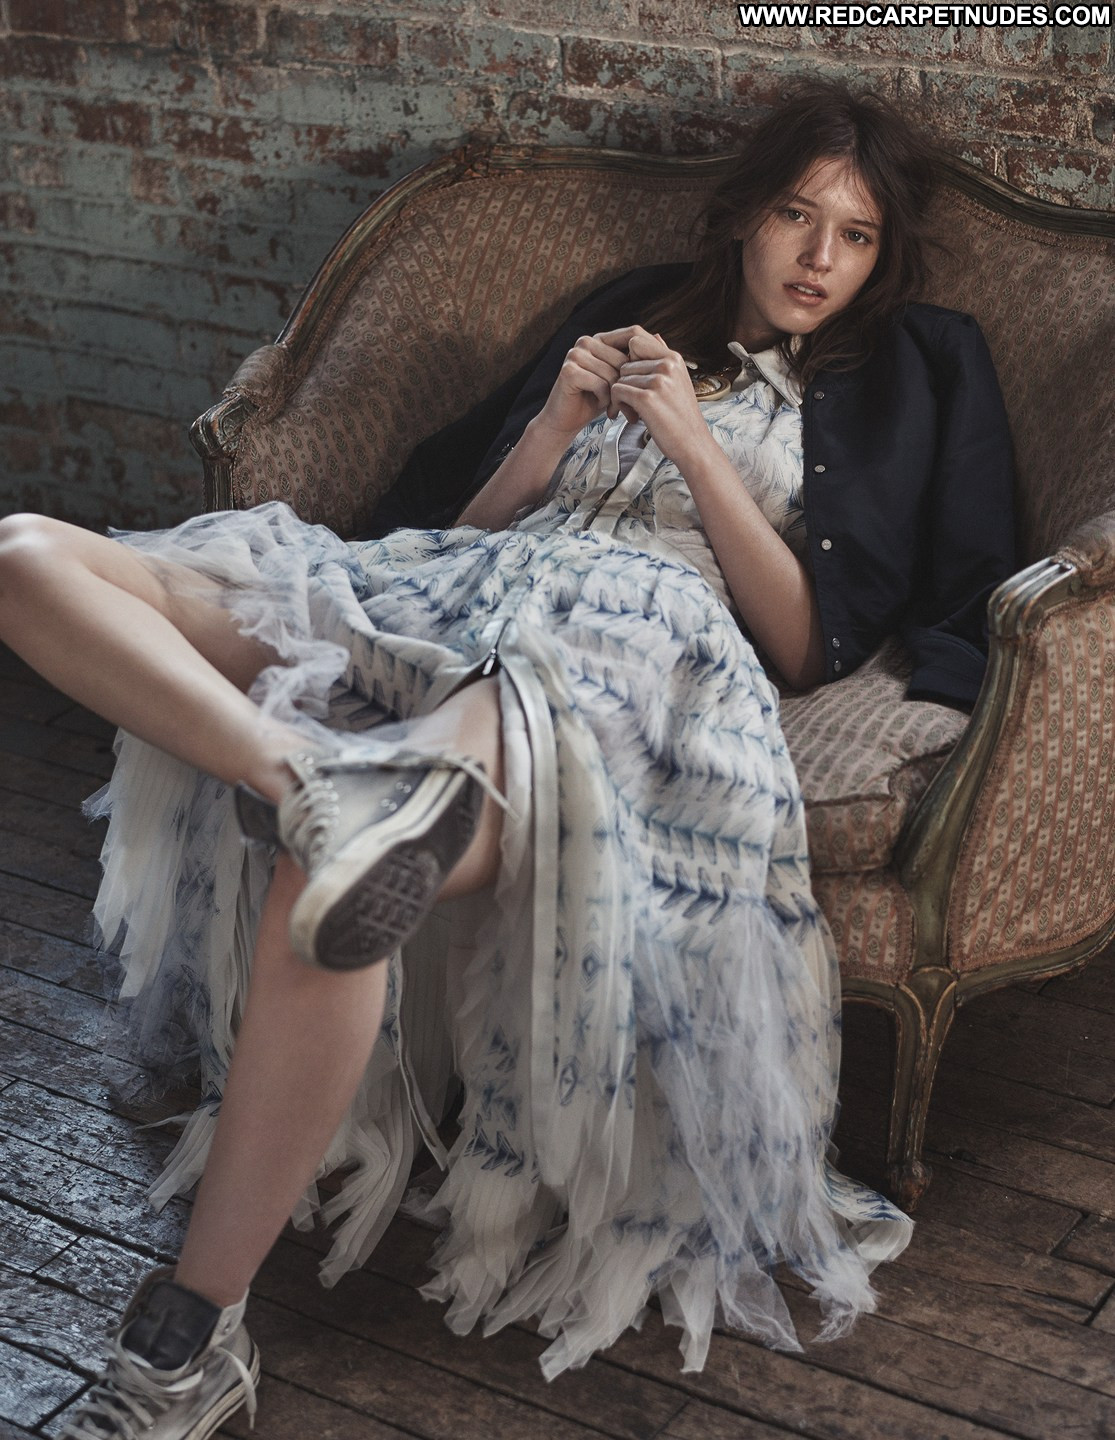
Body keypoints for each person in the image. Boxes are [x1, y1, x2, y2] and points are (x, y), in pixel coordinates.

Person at [0, 79, 1015, 1439]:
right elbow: (459, 526)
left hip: (633, 630)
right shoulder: (635, 312)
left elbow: (802, 640)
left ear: (884, 257)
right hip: (460, 583)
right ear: (745, 214)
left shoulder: (913, 371)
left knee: (337, 891)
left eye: (858, 233)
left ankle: (190, 1337)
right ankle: (303, 781)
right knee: (25, 555)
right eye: (796, 214)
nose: (820, 255)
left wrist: (691, 442)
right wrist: (552, 428)